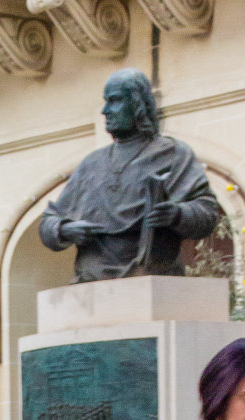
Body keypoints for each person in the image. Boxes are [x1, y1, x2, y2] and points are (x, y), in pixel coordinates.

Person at [39, 69, 220, 282]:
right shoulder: (91, 164)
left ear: (138, 104)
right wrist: (65, 230)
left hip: (151, 276)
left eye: (115, 101)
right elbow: (49, 221)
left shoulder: (172, 154)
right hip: (91, 282)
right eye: (106, 101)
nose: (105, 110)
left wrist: (177, 214)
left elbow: (207, 213)